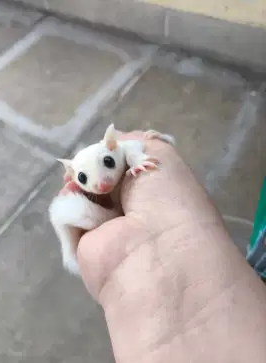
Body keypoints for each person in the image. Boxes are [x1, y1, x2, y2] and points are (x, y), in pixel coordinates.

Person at [60, 130, 266, 363]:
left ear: (112, 147)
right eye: (84, 179)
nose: (102, 183)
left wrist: (138, 159)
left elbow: (133, 147)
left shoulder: (121, 148)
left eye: (107, 163)